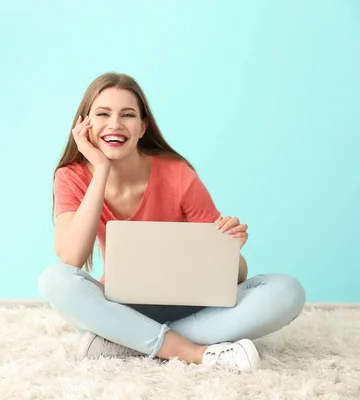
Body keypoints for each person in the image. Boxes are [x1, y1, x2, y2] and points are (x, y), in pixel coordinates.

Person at [37, 72, 306, 373]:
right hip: (122, 305)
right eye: (103, 114)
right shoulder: (71, 176)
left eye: (127, 115)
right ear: (84, 124)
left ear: (142, 127)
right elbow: (71, 258)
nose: (115, 124)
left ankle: (129, 342)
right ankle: (192, 351)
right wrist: (100, 169)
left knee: (287, 290)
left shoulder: (177, 173)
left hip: (193, 305)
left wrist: (229, 251)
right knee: (53, 280)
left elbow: (238, 276)